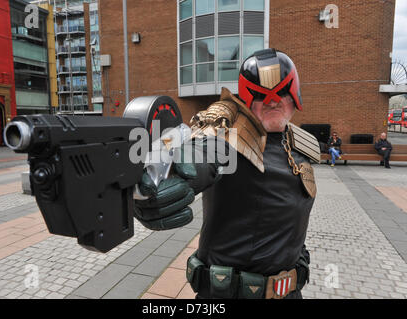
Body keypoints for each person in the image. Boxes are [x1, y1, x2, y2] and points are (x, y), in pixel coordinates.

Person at [134, 49, 319, 299]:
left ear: (295, 93)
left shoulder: (301, 144)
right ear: (246, 99)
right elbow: (205, 153)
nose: (273, 102)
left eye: (282, 93)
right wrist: (170, 176)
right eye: (262, 95)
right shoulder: (230, 137)